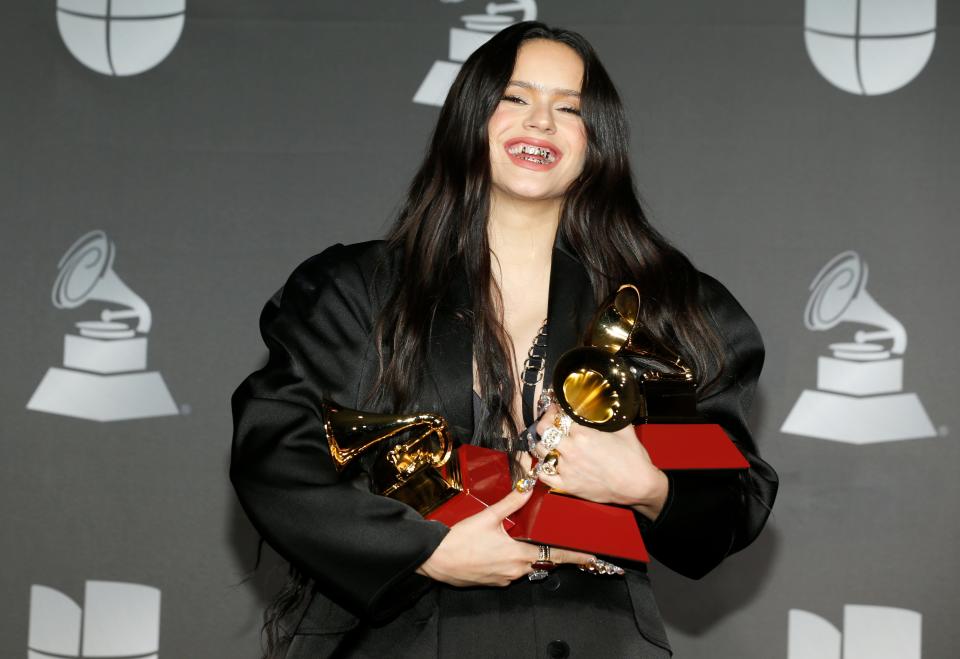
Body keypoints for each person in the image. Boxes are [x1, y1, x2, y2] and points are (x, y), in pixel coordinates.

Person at [230, 21, 778, 659]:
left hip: (592, 635)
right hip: (394, 638)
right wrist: (426, 552)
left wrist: (645, 486)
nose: (540, 121)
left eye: (568, 107)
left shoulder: (667, 306)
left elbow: (735, 496)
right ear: (469, 119)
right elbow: (275, 447)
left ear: (597, 140)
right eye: (515, 98)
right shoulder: (355, 289)